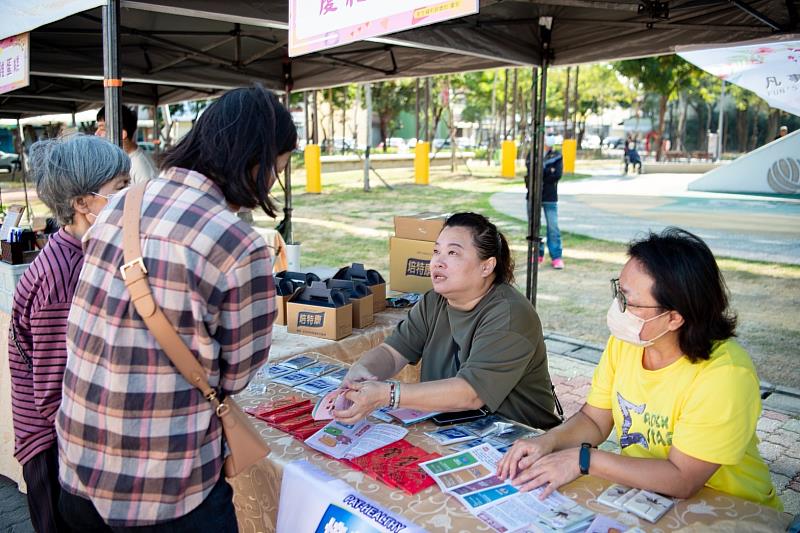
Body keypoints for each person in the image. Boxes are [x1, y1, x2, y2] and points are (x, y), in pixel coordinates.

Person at [57, 86, 297, 530]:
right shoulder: (238, 244)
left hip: (79, 464)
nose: (270, 184)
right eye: (276, 171)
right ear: (256, 163)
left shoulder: (118, 207)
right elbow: (235, 375)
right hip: (164, 485)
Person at [497, 228, 782, 511]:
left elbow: (684, 479)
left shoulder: (725, 376)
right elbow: (594, 420)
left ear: (674, 318)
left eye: (628, 300)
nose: (617, 307)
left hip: (730, 509)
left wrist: (583, 460)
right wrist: (548, 441)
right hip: (647, 498)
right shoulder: (628, 343)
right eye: (617, 291)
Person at [335, 212, 562, 430]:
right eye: (436, 251)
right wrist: (362, 370)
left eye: (453, 253)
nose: (437, 262)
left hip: (519, 438)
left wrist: (388, 395)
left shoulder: (510, 315)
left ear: (486, 266)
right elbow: (393, 353)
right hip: (450, 423)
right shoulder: (433, 302)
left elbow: (471, 394)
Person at [8, 134, 130, 533]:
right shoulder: (64, 276)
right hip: (56, 450)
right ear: (82, 203)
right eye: (119, 189)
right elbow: (54, 391)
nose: (130, 198)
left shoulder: (82, 252)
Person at [525, 140, 565, 269]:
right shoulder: (533, 154)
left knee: (553, 228)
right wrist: (549, 170)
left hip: (550, 196)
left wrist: (543, 172)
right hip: (533, 196)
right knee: (535, 227)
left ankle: (556, 257)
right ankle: (537, 253)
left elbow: (557, 175)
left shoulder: (557, 155)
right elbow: (531, 172)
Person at [95, 104, 158, 183]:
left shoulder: (140, 167)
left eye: (102, 128)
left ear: (122, 133)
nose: (96, 133)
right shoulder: (120, 160)